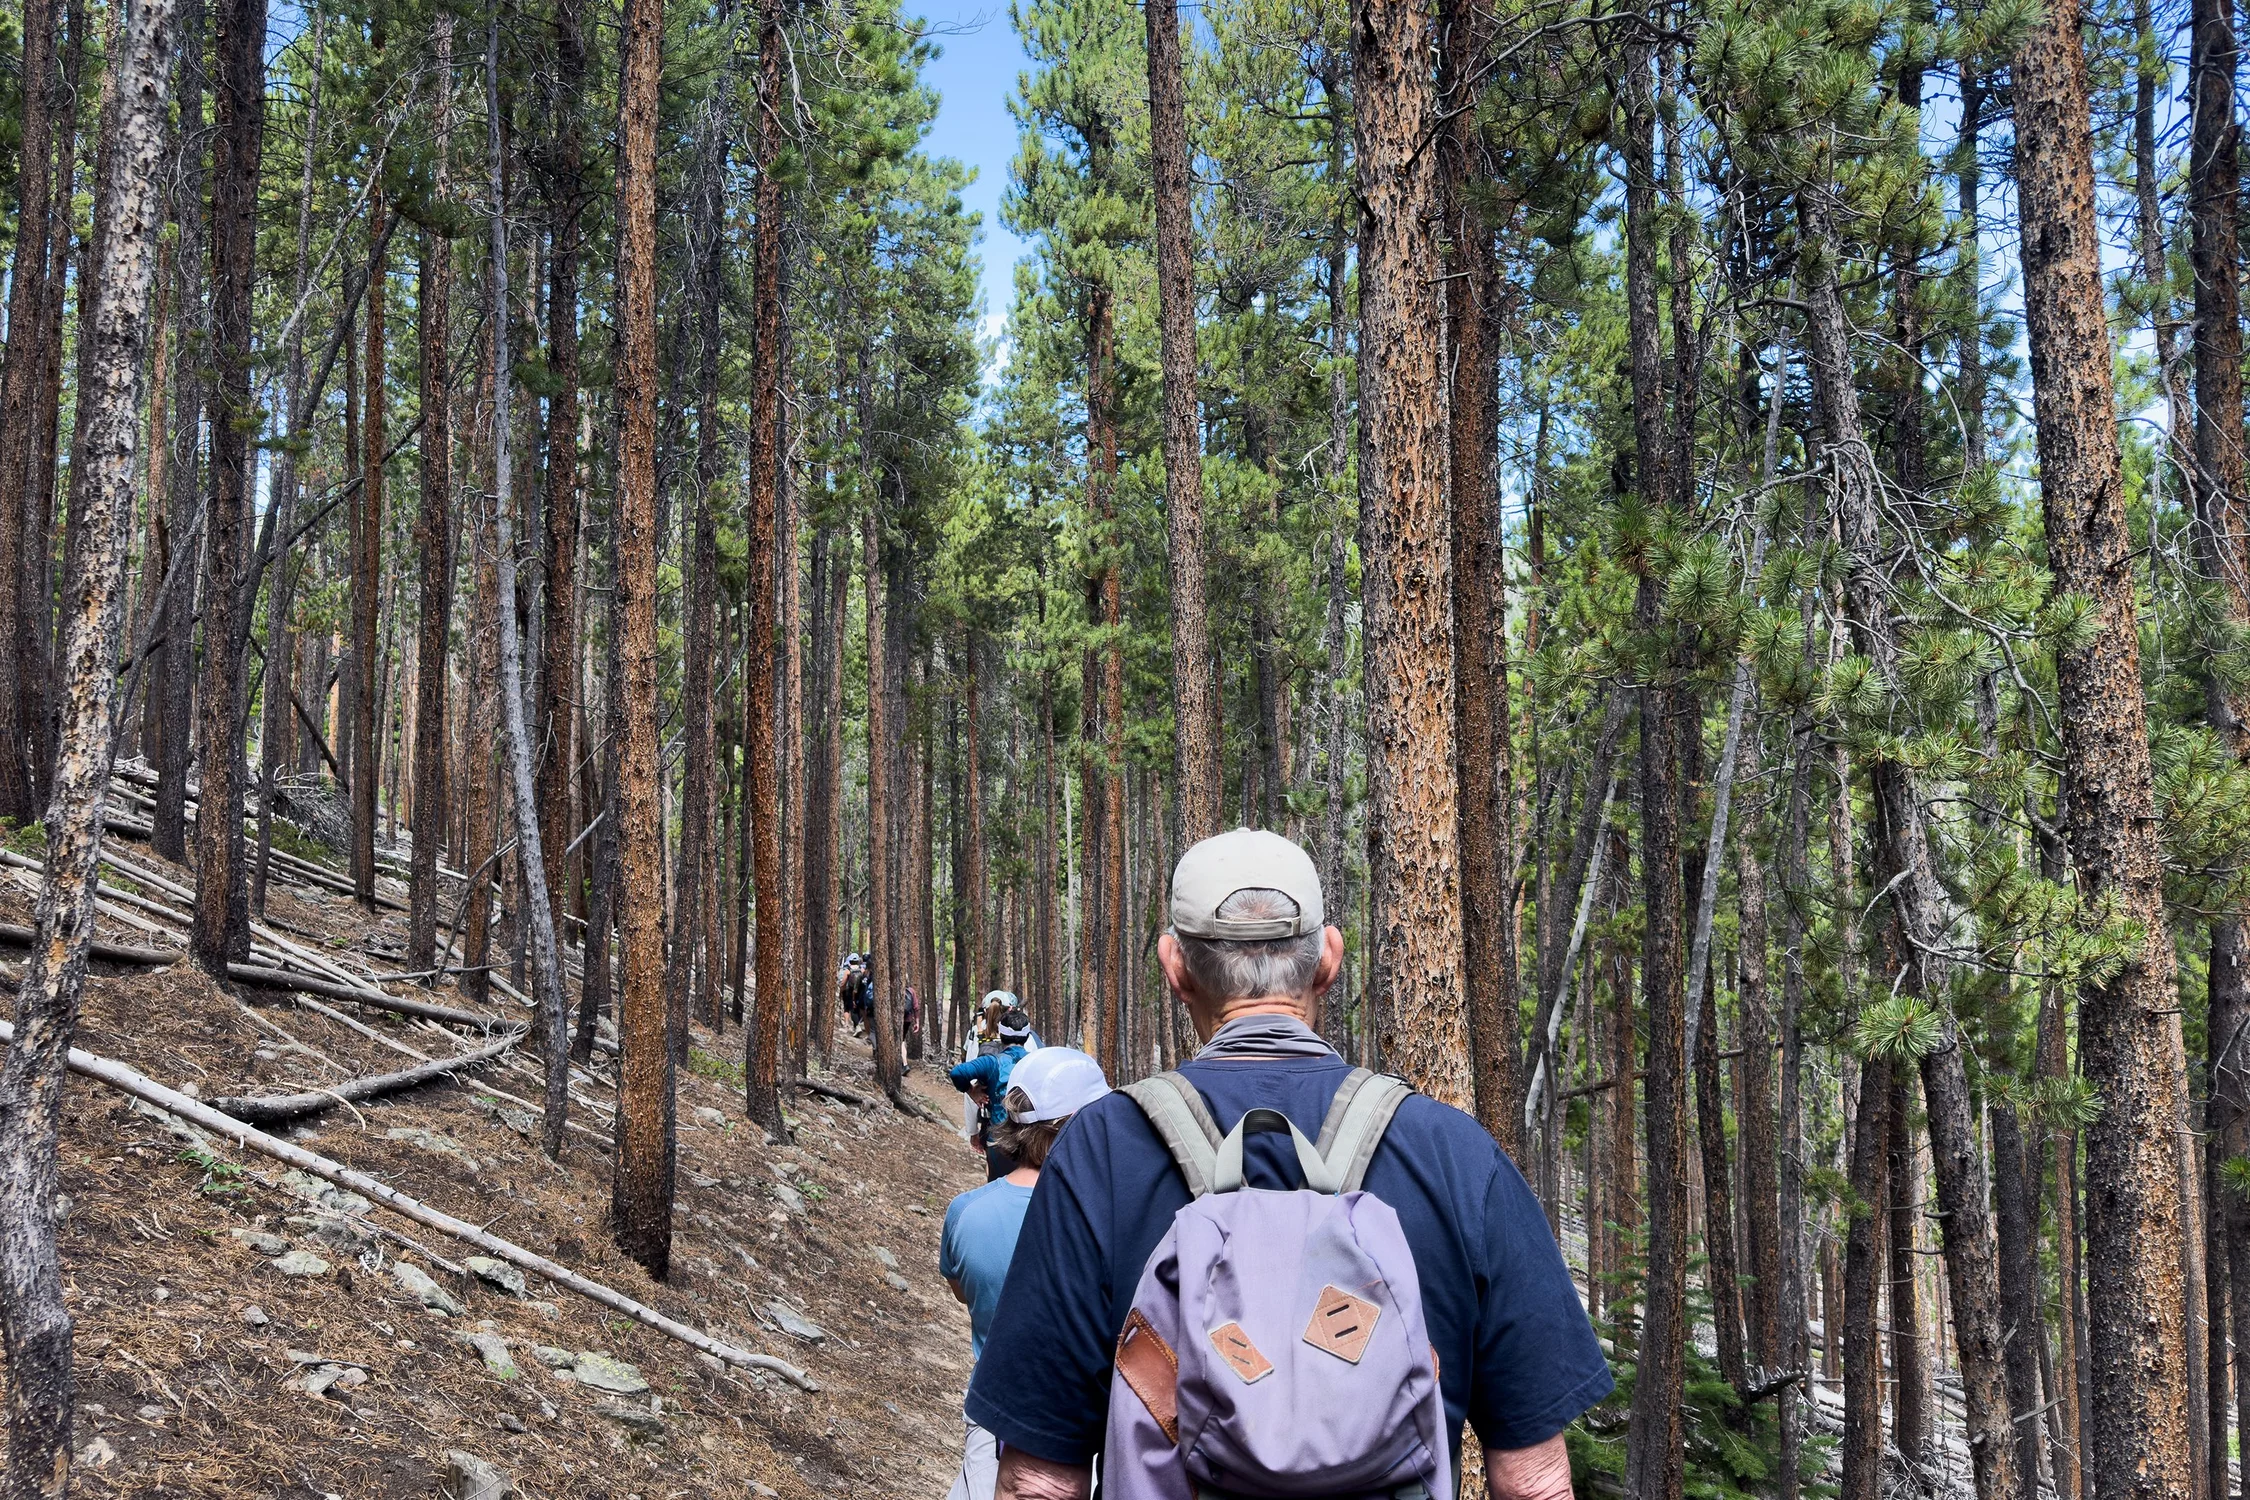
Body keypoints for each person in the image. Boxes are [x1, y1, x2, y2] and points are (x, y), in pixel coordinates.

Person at [966, 828, 1612, 1500]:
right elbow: (1534, 1483)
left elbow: (1039, 1483)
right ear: (1328, 960)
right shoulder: (1455, 1155)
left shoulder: (1097, 1155)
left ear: (1175, 968)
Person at [940, 1048, 1112, 1500]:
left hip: (993, 1414)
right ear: (1078, 1125)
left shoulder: (966, 1213)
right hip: (1093, 1420)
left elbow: (963, 1293)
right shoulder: (1108, 1218)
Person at [950, 1014, 1032, 1180]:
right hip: (1031, 1140)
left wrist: (971, 1090)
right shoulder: (1037, 1061)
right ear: (1027, 1036)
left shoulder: (991, 1062)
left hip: (999, 1140)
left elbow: (957, 1073)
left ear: (1000, 1035)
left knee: (997, 1189)